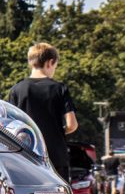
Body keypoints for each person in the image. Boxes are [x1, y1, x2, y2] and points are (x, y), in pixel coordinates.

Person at [7, 42, 78, 179]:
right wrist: (57, 131)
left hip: (26, 155)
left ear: (30, 63)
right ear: (50, 62)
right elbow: (72, 124)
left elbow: (10, 127)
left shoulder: (17, 90)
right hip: (56, 155)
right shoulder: (60, 88)